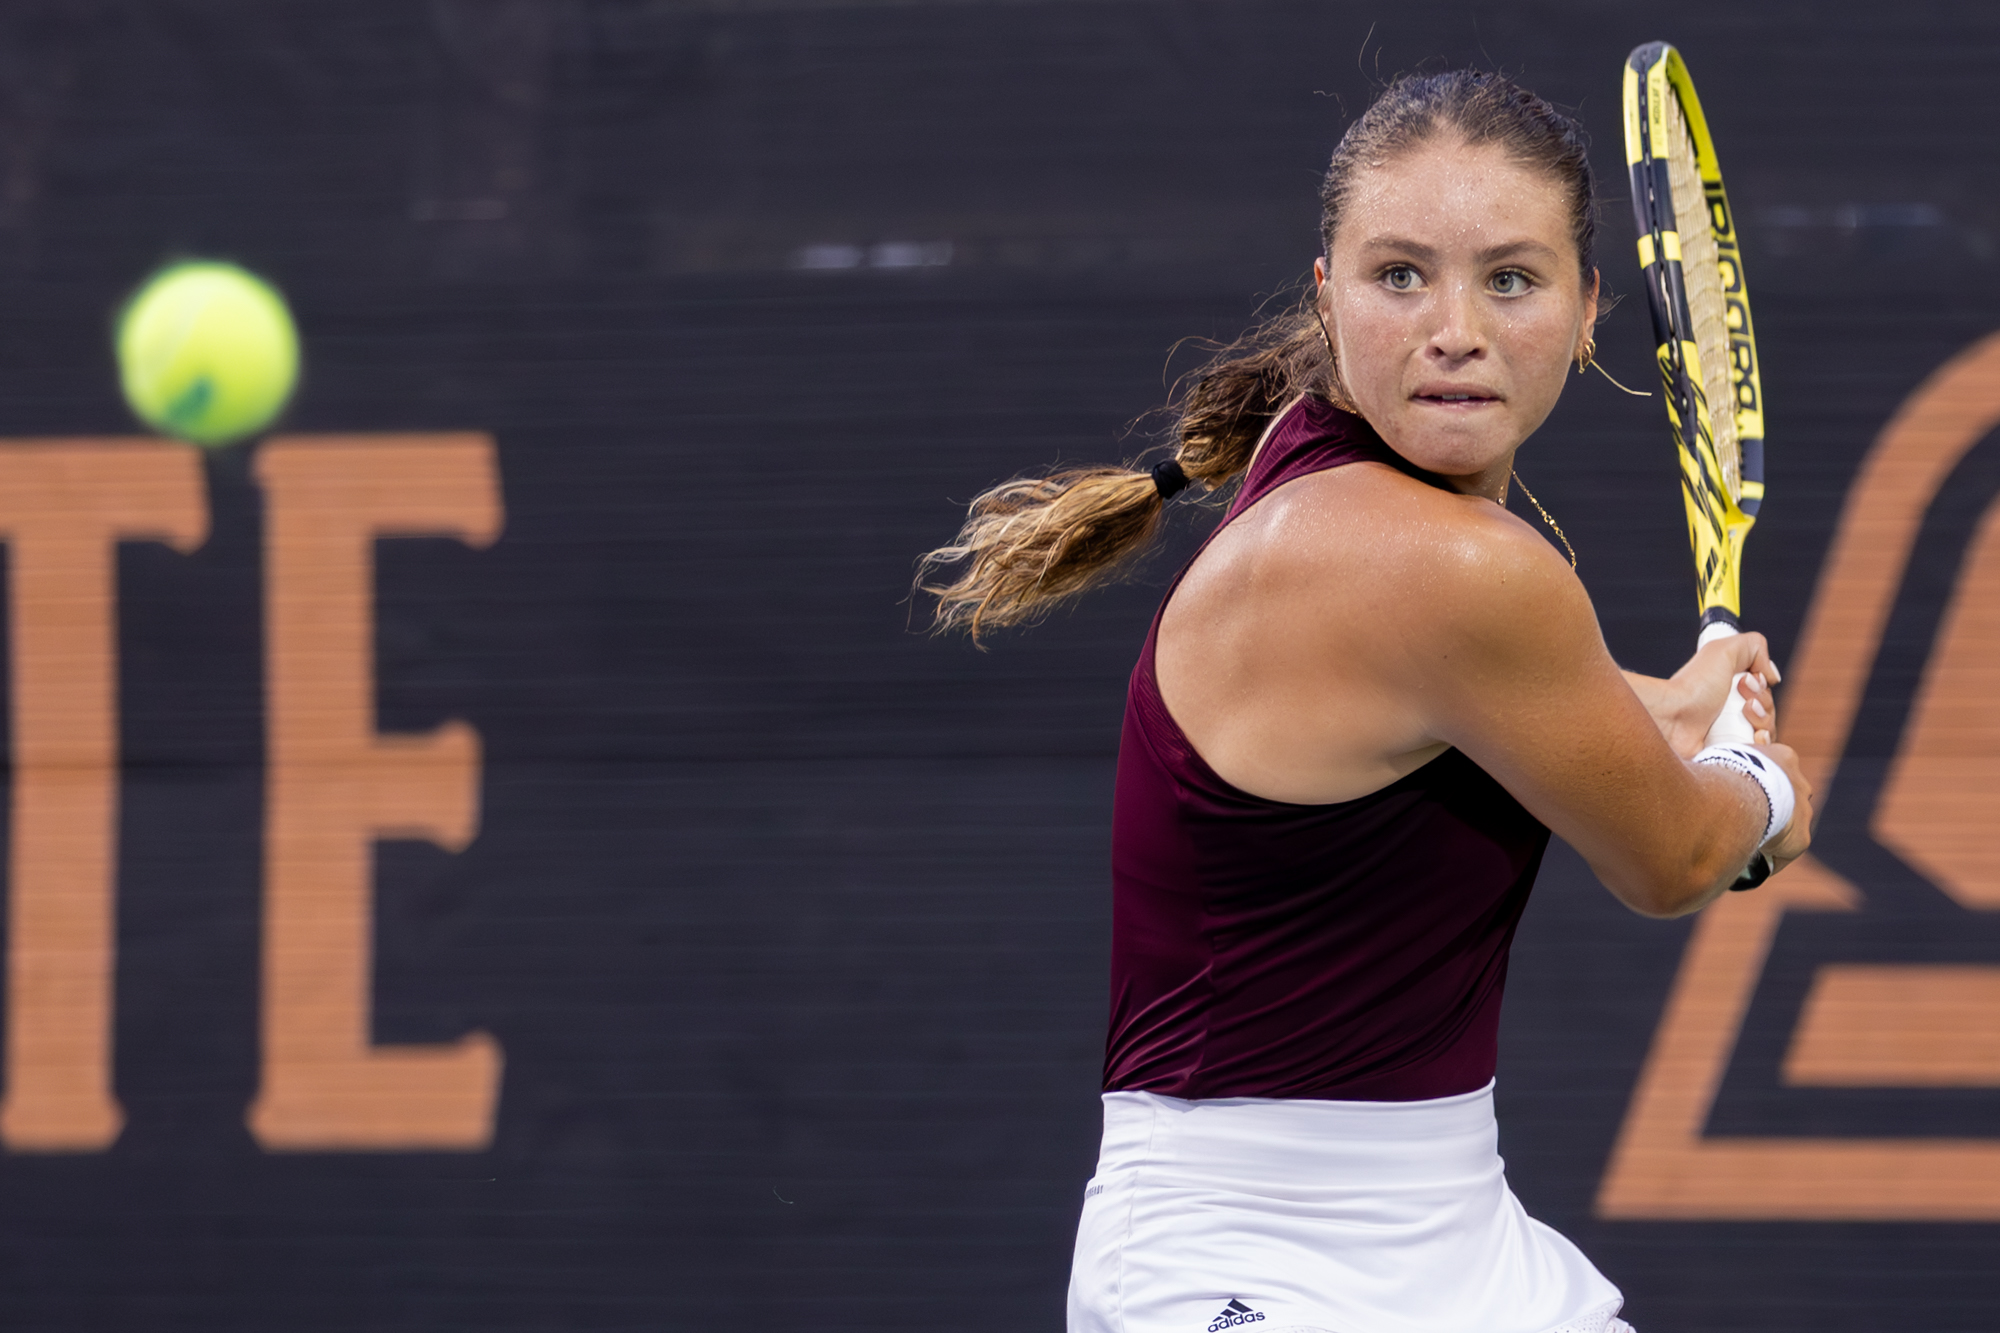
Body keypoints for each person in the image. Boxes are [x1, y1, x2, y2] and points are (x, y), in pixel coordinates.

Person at [918, 70, 1812, 1333]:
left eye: (1510, 278)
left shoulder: (1333, 481)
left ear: (1588, 308)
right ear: (1328, 293)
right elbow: (1674, 858)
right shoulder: (1446, 565)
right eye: (1401, 276)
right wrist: (1765, 786)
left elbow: (1524, 712)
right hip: (1240, 1257)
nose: (1454, 328)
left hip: (1454, 1232)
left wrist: (1678, 712)